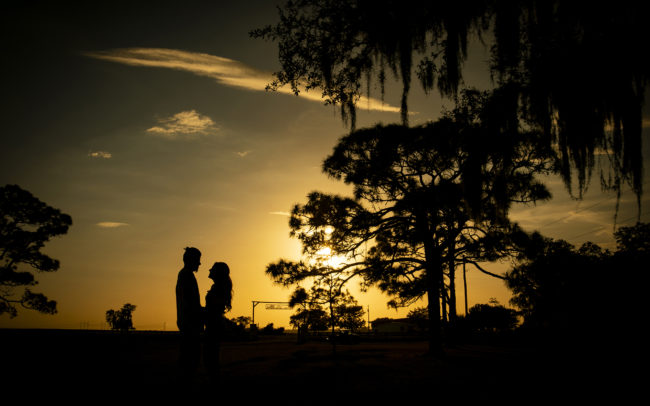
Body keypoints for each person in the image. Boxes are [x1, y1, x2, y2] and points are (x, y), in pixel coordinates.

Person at [176, 247, 203, 383]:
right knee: (190, 361)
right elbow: (190, 304)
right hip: (190, 324)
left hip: (188, 323)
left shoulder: (185, 275)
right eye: (198, 260)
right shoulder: (186, 276)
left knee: (189, 360)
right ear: (191, 260)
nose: (199, 264)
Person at [204, 262, 232, 380]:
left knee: (211, 357)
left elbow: (214, 308)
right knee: (212, 356)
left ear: (218, 273)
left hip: (213, 325)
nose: (209, 270)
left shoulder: (217, 288)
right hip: (214, 324)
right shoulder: (218, 287)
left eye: (212, 269)